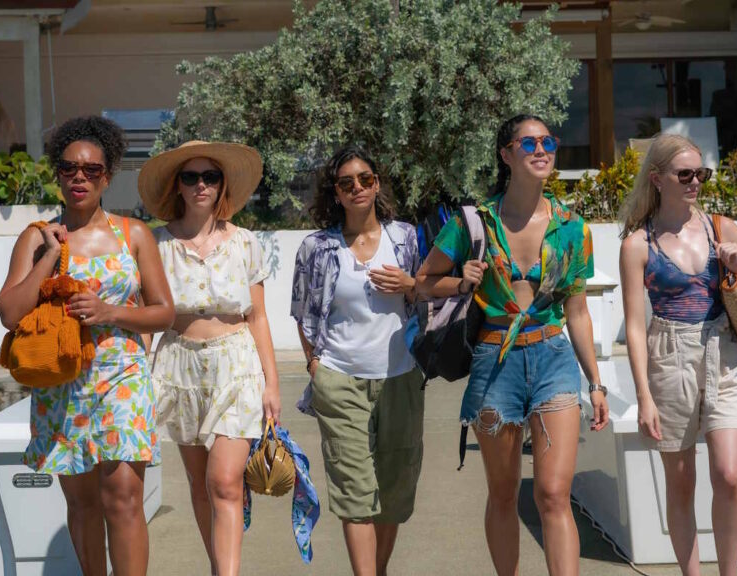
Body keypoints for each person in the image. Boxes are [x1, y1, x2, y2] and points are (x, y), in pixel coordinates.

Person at [416, 114, 609, 576]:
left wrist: (596, 382)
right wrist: (460, 281)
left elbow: (577, 312)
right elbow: (423, 282)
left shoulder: (572, 227)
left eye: (548, 142)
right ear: (507, 154)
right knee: (503, 494)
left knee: (552, 494)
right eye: (529, 143)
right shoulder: (473, 223)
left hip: (553, 358)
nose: (541, 150)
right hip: (494, 360)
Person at [0, 116, 174, 576]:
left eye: (91, 170)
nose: (80, 177)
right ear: (58, 173)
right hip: (62, 380)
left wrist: (110, 312)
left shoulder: (134, 234)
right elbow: (9, 312)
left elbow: (164, 312)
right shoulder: (37, 236)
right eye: (70, 168)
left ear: (107, 176)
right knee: (82, 502)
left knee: (125, 499)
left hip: (122, 378)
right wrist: (51, 256)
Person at [618, 133, 737, 576]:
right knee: (681, 482)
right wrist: (644, 396)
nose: (695, 182)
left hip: (724, 351)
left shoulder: (721, 227)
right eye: (684, 174)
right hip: (669, 355)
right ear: (657, 179)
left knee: (728, 475)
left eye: (701, 173)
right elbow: (634, 326)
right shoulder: (637, 244)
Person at [140, 140, 281, 576]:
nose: (201, 185)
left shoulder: (244, 243)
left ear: (222, 186)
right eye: (190, 177)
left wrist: (271, 383)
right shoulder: (156, 244)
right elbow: (147, 316)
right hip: (177, 365)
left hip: (236, 364)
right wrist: (140, 376)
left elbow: (258, 316)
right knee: (201, 486)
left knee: (224, 481)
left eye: (210, 177)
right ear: (177, 186)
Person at [291, 146, 424, 576]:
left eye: (365, 179)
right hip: (340, 379)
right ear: (336, 192)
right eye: (347, 183)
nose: (357, 189)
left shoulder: (405, 237)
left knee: (393, 490)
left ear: (377, 183)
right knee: (354, 492)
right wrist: (316, 366)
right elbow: (302, 311)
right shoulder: (317, 247)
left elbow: (429, 295)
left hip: (400, 377)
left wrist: (410, 284)